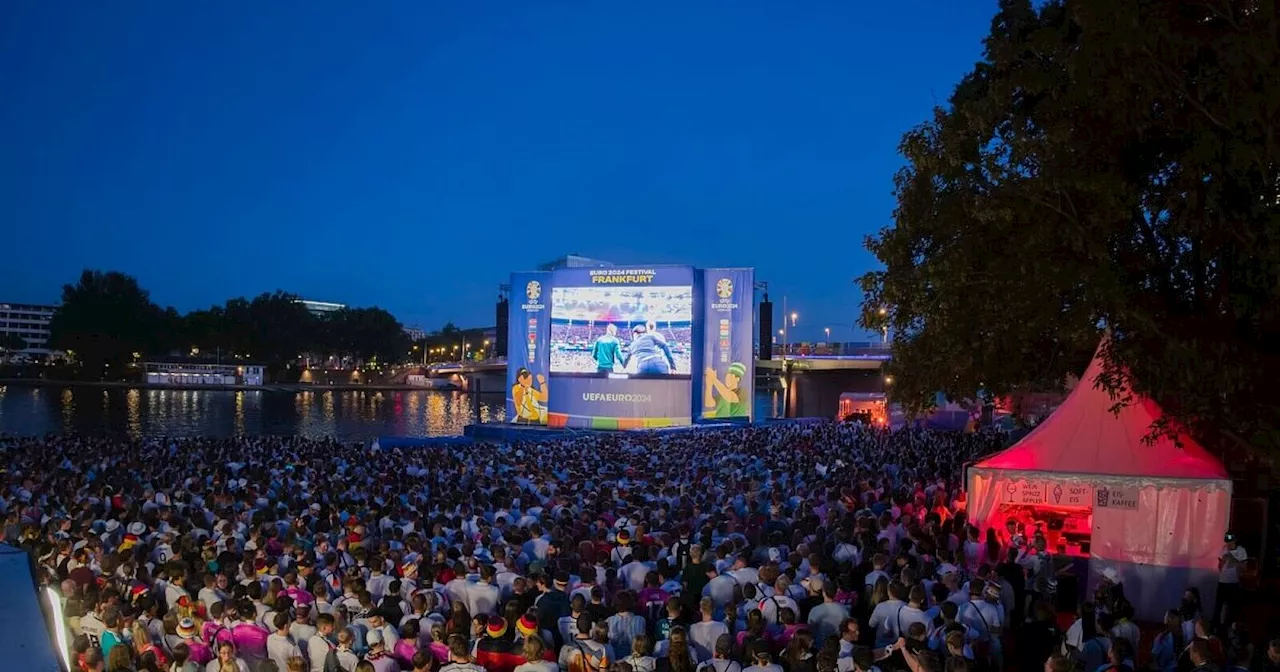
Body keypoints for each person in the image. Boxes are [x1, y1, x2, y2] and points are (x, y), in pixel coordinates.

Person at [1217, 533, 1247, 627]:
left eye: (1230, 542)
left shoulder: (1241, 551)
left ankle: (1230, 627)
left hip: (1233, 583)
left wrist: (1233, 560)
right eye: (1227, 542)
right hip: (1222, 582)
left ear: (1235, 541)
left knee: (1232, 607)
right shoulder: (1223, 549)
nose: (1228, 544)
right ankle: (1217, 626)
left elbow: (1244, 568)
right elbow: (1220, 568)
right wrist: (1223, 562)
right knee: (1218, 606)